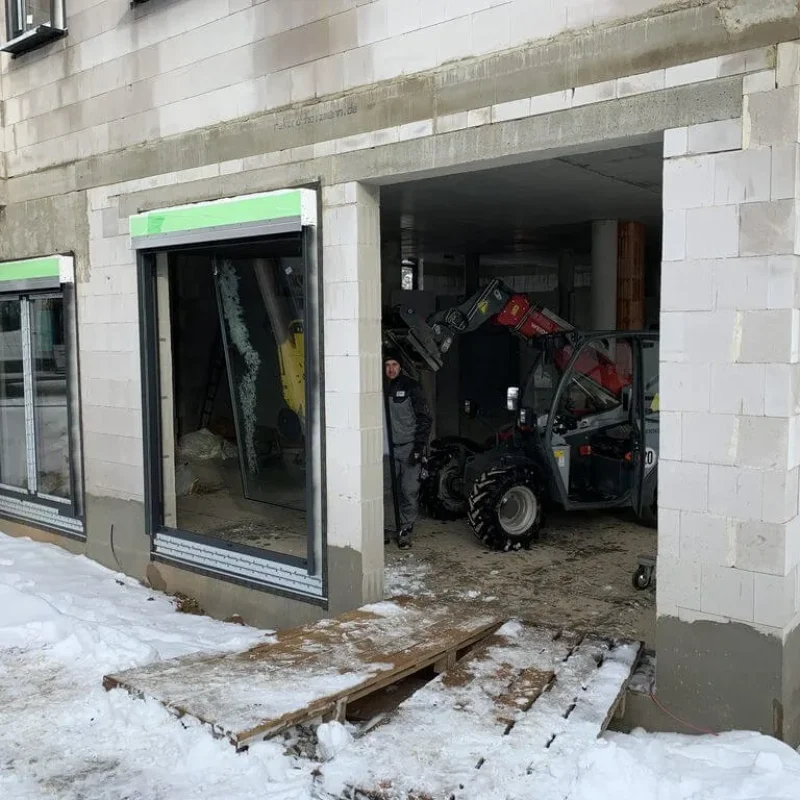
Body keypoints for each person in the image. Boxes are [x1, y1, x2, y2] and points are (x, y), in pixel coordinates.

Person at [383, 347, 432, 549]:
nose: (391, 369)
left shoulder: (412, 387)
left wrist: (419, 447)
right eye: (387, 365)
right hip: (388, 448)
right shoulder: (381, 388)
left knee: (408, 490)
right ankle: (388, 527)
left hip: (409, 446)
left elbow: (425, 419)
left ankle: (405, 529)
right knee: (386, 490)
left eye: (394, 364)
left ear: (400, 366)